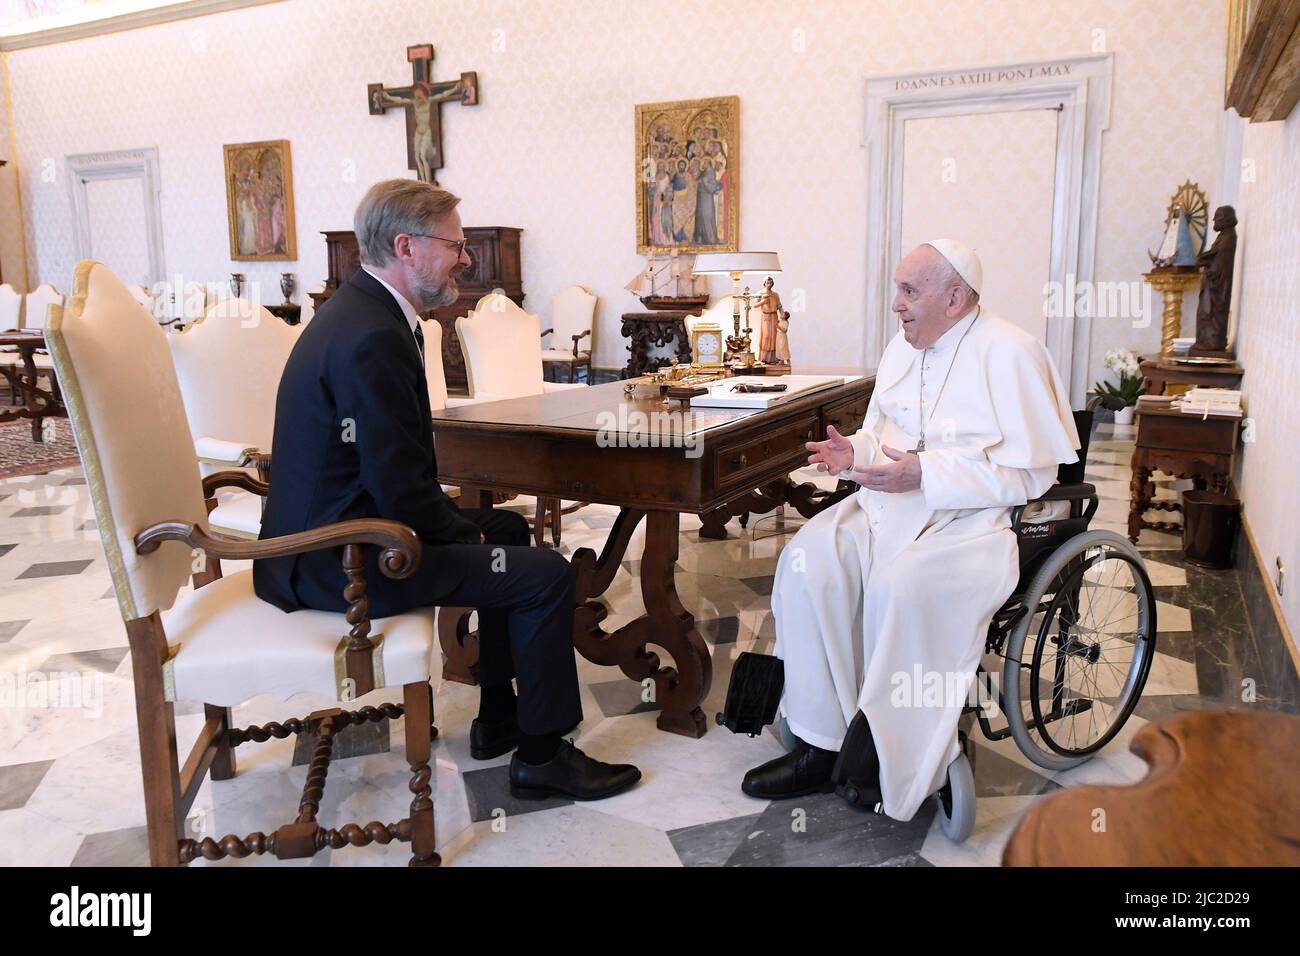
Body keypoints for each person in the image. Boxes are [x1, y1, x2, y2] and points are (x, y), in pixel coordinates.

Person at [255, 179, 640, 802]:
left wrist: (475, 529)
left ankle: (497, 720)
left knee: (509, 532)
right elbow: (398, 488)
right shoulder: (372, 334)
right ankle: (542, 757)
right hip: (340, 560)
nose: (466, 258)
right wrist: (463, 530)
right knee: (543, 575)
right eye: (455, 245)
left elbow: (394, 479)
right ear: (406, 248)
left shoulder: (365, 311)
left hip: (342, 536)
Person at [742, 239, 1078, 820]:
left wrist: (926, 473)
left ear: (953, 297)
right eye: (896, 289)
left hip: (968, 522)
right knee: (807, 561)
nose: (895, 305)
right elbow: (885, 437)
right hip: (884, 509)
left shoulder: (1012, 351)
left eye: (908, 291)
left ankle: (893, 758)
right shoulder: (902, 349)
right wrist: (857, 452)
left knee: (901, 588)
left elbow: (1033, 473)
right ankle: (821, 742)